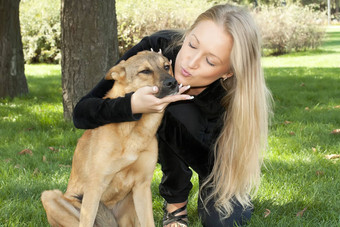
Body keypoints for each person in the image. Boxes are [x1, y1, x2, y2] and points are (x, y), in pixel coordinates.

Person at [73, 3, 272, 227]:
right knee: (169, 106)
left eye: (210, 61)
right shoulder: (156, 50)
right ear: (187, 35)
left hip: (215, 162)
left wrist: (163, 111)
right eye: (193, 44)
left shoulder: (234, 96)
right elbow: (82, 113)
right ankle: (175, 206)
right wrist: (132, 104)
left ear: (228, 71)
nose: (191, 62)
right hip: (153, 142)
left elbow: (211, 163)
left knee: (222, 222)